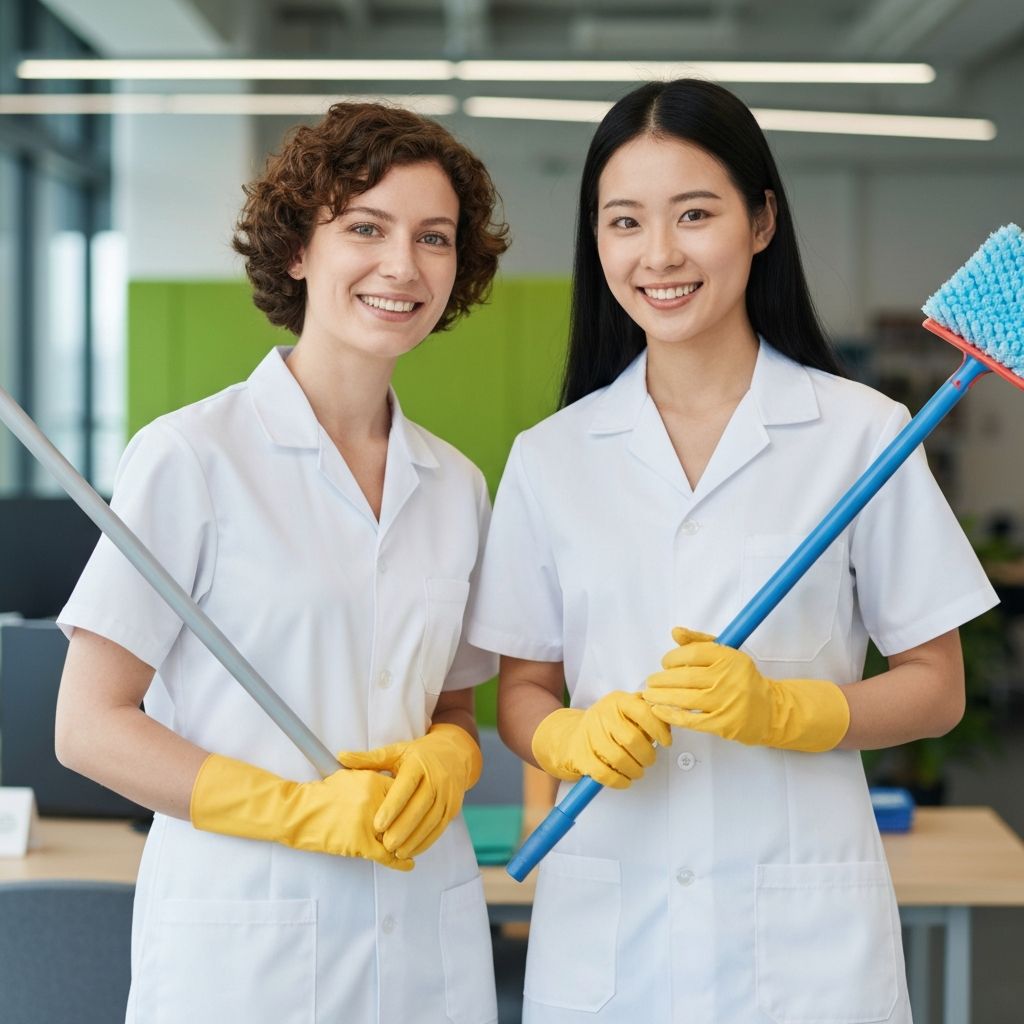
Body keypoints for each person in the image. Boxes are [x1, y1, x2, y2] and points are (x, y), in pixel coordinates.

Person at [467, 78, 997, 1023]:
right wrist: (564, 735)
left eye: (695, 214)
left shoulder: (860, 435)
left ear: (760, 223)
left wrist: (786, 710)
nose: (659, 254)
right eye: (624, 221)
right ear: (597, 241)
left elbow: (936, 685)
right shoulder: (550, 459)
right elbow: (521, 688)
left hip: (803, 952)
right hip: (608, 939)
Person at [55, 101, 508, 1023]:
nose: (402, 265)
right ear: (299, 249)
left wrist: (451, 761)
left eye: (434, 237)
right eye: (365, 228)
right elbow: (89, 726)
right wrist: (296, 812)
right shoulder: (191, 457)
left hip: (424, 944)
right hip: (244, 957)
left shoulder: (456, 485)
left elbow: (452, 707)